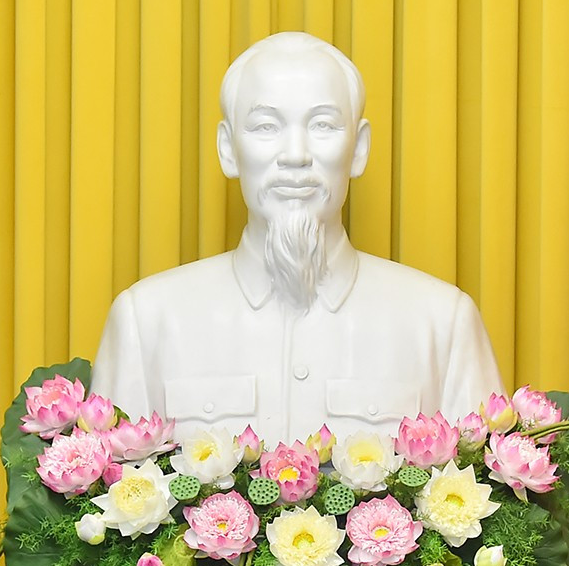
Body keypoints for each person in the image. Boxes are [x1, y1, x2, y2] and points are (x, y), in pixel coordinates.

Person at [90, 31, 503, 444]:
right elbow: (99, 497)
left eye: (323, 125)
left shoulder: (442, 324)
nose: (294, 155)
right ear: (227, 149)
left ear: (358, 148)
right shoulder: (146, 322)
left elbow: (489, 498)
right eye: (266, 126)